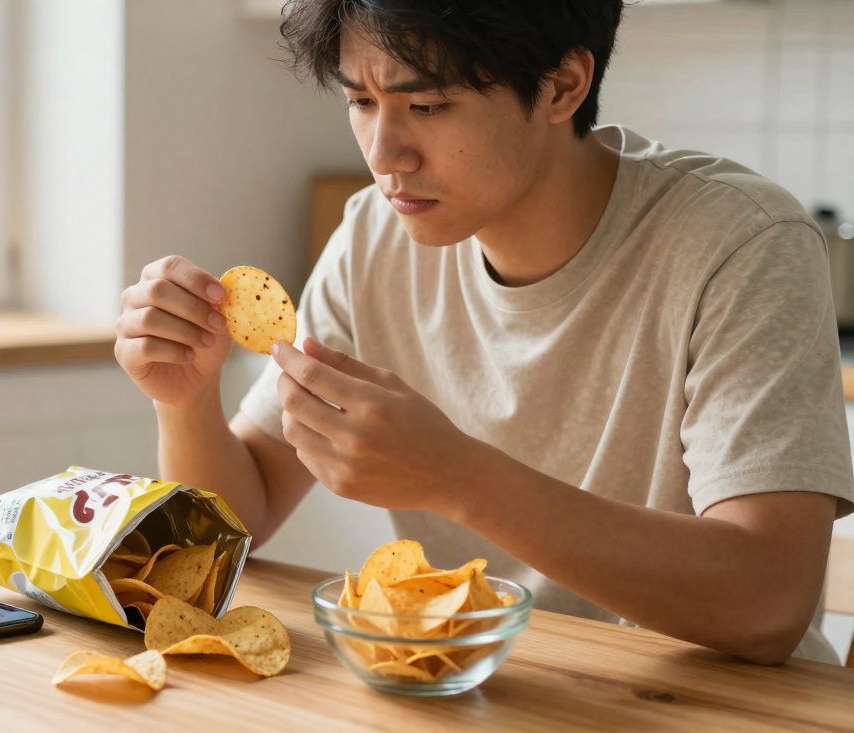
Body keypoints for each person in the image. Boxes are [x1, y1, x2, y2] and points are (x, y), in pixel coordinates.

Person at [113, 0, 853, 664]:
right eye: (361, 101)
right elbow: (238, 519)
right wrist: (186, 401)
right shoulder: (373, 237)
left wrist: (456, 477)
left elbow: (768, 603)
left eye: (427, 105)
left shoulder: (742, 243)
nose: (383, 155)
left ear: (563, 85)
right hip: (496, 692)